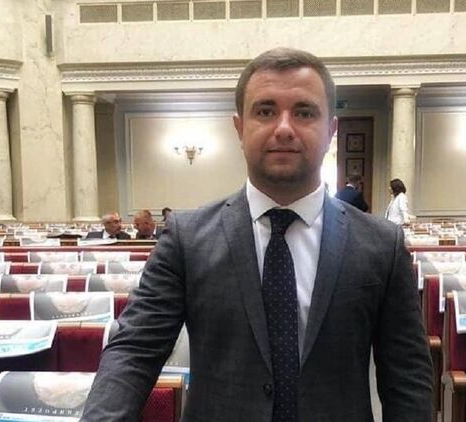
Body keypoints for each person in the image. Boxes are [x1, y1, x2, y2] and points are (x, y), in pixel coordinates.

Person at [82, 48, 432, 422]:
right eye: (265, 111)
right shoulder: (187, 238)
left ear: (331, 131)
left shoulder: (382, 245)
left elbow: (407, 378)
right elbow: (134, 350)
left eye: (304, 112)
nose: (284, 128)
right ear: (240, 128)